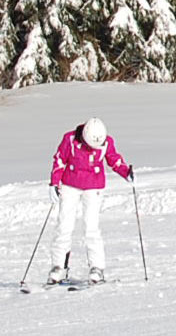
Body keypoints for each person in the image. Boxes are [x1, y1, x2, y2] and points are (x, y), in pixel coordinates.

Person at [46, 118, 134, 285]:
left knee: (91, 227)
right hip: (70, 185)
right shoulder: (70, 139)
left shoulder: (106, 142)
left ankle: (97, 268)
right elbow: (59, 160)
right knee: (64, 225)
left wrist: (125, 172)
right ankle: (58, 266)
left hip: (93, 186)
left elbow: (113, 159)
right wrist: (54, 183)